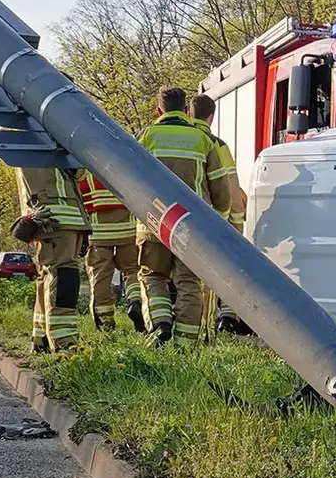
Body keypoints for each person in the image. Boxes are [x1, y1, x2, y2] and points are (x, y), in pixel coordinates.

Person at [136, 87, 233, 347]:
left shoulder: (146, 136)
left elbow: (130, 179)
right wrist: (219, 220)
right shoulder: (204, 140)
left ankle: (160, 325)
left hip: (153, 222)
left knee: (152, 275)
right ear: (186, 110)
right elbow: (221, 189)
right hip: (193, 227)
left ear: (159, 110)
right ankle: (185, 344)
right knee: (189, 282)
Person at [187, 94, 250, 336]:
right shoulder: (216, 144)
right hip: (209, 220)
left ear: (189, 113)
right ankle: (208, 329)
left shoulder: (172, 138)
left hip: (173, 219)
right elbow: (229, 186)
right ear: (211, 116)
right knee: (209, 276)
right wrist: (235, 223)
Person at [11, 167, 90, 353]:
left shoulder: (27, 141)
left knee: (46, 278)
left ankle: (41, 340)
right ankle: (64, 342)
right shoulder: (50, 138)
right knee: (63, 277)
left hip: (52, 217)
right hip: (59, 218)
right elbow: (78, 171)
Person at [76, 170, 143, 333]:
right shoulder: (123, 164)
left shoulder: (86, 168)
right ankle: (136, 302)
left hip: (99, 233)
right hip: (127, 230)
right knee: (132, 271)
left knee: (100, 278)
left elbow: (78, 195)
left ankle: (106, 324)